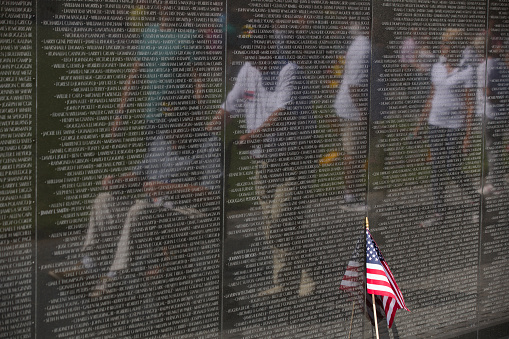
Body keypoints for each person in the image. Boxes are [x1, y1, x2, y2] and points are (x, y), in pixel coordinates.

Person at [207, 27, 318, 297]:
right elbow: (230, 105)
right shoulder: (248, 70)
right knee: (272, 223)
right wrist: (207, 131)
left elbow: (282, 112)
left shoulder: (287, 70)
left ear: (270, 45)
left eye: (256, 51)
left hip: (296, 157)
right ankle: (284, 281)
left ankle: (307, 272)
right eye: (248, 52)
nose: (252, 58)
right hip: (265, 161)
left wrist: (253, 136)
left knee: (281, 220)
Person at [413, 28, 479, 227]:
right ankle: (439, 212)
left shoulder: (467, 70)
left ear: (457, 47)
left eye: (448, 45)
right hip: (436, 123)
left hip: (455, 125)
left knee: (452, 167)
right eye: (444, 45)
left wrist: (468, 135)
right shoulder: (437, 67)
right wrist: (419, 125)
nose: (445, 48)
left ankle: (477, 201)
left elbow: (470, 104)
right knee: (437, 168)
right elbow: (431, 97)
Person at [113, 1, 203, 141]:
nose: (167, 4)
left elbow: (199, 82)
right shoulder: (148, 33)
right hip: (152, 118)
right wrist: (120, 116)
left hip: (178, 120)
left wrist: (194, 120)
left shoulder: (190, 35)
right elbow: (134, 77)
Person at [331, 23, 370, 210]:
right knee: (353, 153)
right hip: (353, 108)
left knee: (355, 152)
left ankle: (352, 193)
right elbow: (354, 86)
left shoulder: (361, 45)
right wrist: (363, 111)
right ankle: (349, 197)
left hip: (353, 107)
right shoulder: (363, 48)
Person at [474, 32, 509, 195]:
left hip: (489, 112)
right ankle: (497, 180)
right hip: (502, 113)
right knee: (497, 148)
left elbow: (487, 91)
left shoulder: (484, 66)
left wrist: (496, 100)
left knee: (492, 148)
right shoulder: (501, 64)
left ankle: (496, 183)